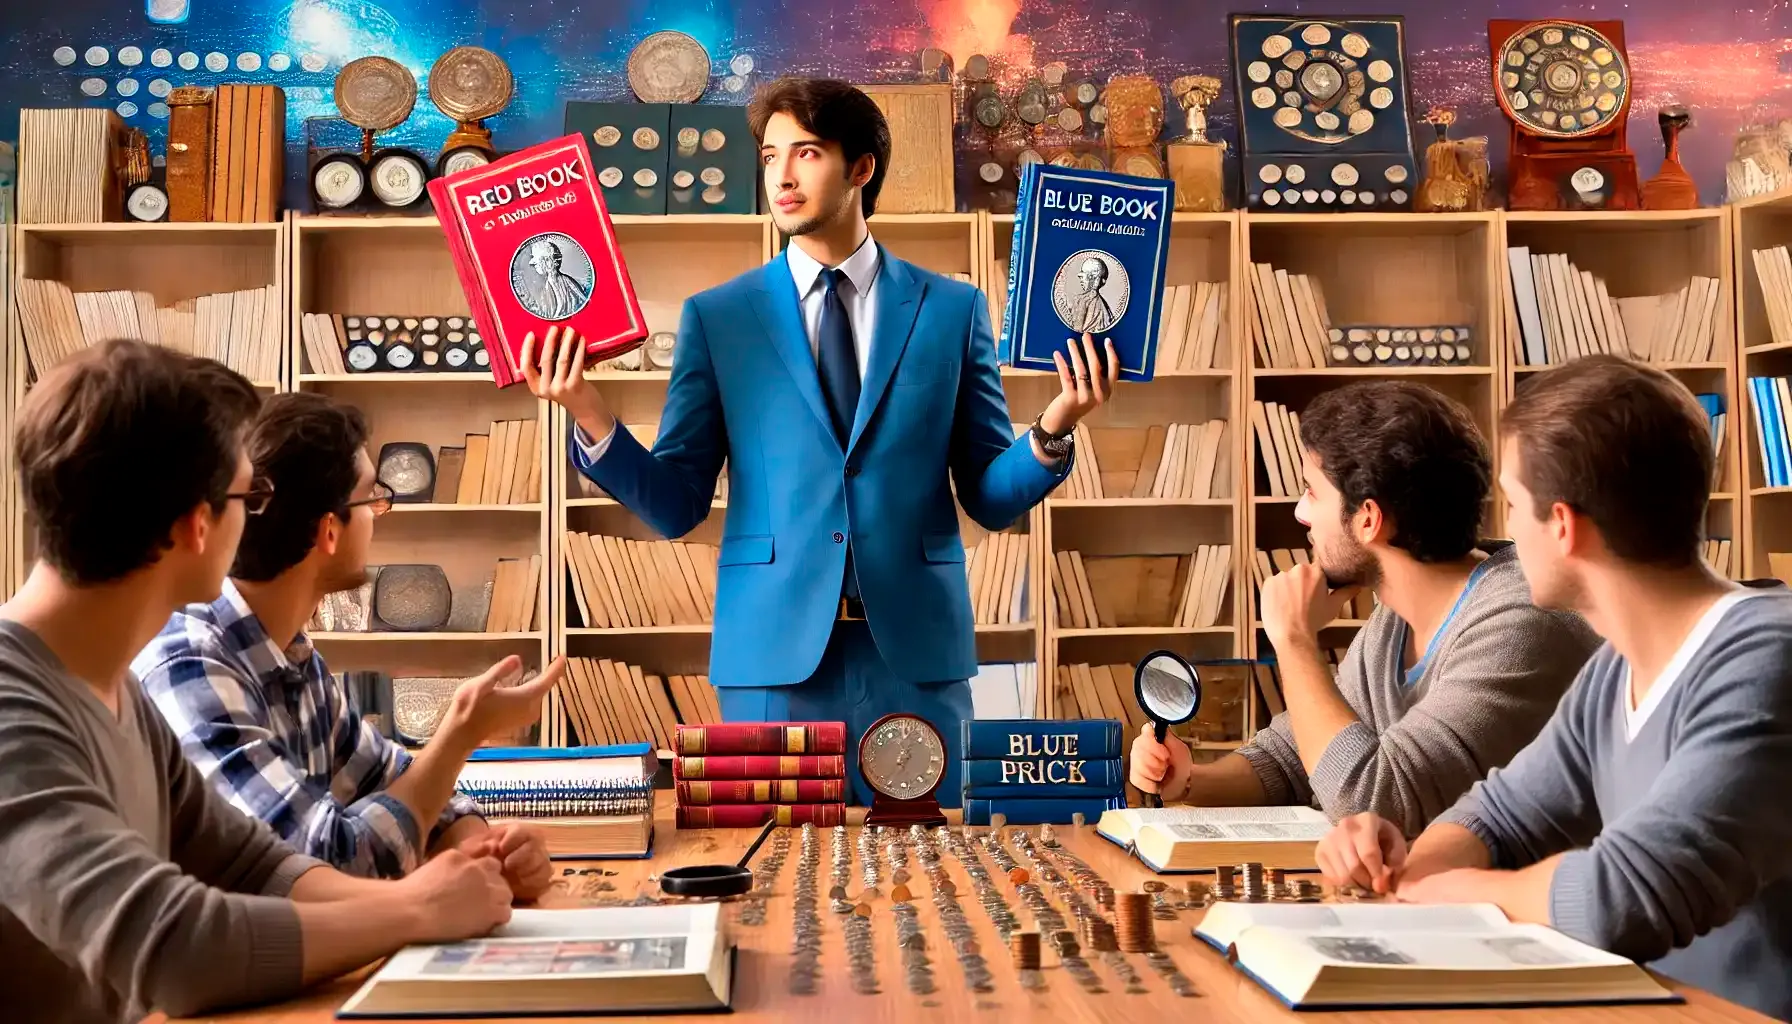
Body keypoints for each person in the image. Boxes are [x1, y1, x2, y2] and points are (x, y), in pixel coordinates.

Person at [522, 77, 1116, 806]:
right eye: (771, 155)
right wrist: (588, 411)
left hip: (916, 655)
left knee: (933, 885)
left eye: (806, 153)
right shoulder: (719, 318)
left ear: (861, 169)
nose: (782, 175)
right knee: (773, 886)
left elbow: (990, 498)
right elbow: (678, 505)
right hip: (772, 660)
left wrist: (1055, 428)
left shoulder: (953, 310)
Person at [0, 340, 517, 1023]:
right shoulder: (14, 708)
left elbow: (257, 868)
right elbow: (172, 946)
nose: (261, 518)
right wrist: (416, 908)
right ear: (196, 525)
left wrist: (444, 891)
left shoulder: (112, 684)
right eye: (254, 493)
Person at [1316, 356, 1792, 1021]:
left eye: (1514, 503)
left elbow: (1626, 893)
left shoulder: (1766, 660)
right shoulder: (1615, 670)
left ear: (1564, 526)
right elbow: (1503, 814)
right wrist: (1406, 866)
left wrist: (1465, 891)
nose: (1504, 531)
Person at [132, 391, 562, 890]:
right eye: (371, 498)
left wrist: (486, 853)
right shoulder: (190, 665)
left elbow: (399, 782)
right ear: (329, 530)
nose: (380, 513)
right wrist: (461, 732)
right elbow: (327, 869)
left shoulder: (291, 655)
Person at [1132, 381, 1600, 834]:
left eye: (1312, 492)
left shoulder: (1518, 626)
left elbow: (1376, 805)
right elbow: (1293, 759)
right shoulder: (1396, 618)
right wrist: (1190, 779)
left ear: (1368, 519)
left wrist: (1294, 641)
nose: (1300, 513)